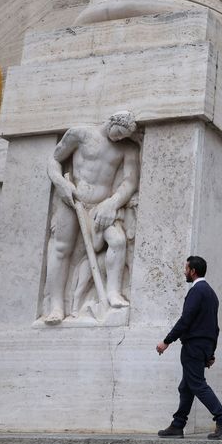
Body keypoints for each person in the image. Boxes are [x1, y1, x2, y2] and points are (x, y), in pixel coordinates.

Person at [42, 111, 140, 323]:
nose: (121, 138)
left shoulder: (128, 148)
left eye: (125, 136)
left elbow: (130, 182)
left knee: (117, 240)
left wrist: (112, 204)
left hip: (101, 208)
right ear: (112, 122)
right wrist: (60, 184)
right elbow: (54, 160)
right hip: (73, 200)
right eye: (120, 133)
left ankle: (113, 292)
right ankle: (56, 307)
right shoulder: (80, 135)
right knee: (61, 249)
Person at [156, 256, 222, 440]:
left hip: (193, 346)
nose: (184, 271)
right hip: (204, 346)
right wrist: (211, 352)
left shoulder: (196, 291)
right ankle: (178, 425)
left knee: (197, 384)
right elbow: (214, 327)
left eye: (186, 268)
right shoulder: (212, 294)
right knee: (186, 386)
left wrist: (166, 341)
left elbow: (186, 320)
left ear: (193, 271)